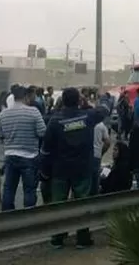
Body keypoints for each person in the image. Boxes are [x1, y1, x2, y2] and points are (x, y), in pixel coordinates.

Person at [41, 87, 97, 248]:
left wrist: (44, 172)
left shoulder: (55, 121)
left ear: (63, 101)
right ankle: (82, 238)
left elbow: (46, 150)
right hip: (82, 169)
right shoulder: (88, 116)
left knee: (59, 204)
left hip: (60, 171)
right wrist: (86, 102)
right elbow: (105, 109)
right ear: (79, 100)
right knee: (82, 204)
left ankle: (57, 238)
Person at [0, 86, 46, 211]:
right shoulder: (33, 112)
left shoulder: (4, 113)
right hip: (30, 156)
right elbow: (42, 132)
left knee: (9, 188)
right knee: (29, 189)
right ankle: (28, 215)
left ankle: (7, 215)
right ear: (26, 97)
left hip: (10, 155)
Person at [91, 106, 112, 195]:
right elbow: (107, 143)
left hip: (84, 155)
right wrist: (101, 152)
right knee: (95, 180)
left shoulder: (86, 123)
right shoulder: (101, 126)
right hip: (96, 155)